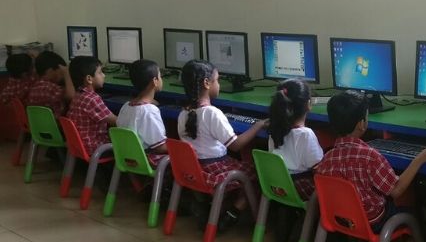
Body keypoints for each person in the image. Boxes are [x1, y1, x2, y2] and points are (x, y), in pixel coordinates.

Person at [315, 90, 426, 242]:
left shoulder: (328, 158)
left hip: (343, 218)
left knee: (365, 199)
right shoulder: (370, 157)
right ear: (362, 124)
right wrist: (419, 160)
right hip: (373, 220)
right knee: (418, 221)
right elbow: (396, 190)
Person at [177, 59, 267, 230]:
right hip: (217, 169)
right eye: (217, 80)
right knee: (260, 174)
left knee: (243, 167)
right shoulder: (213, 114)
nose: (219, 85)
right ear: (206, 83)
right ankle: (234, 212)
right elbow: (236, 145)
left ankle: (212, 207)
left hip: (196, 170)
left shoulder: (184, 113)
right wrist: (257, 126)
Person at [267, 78, 323, 200]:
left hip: (277, 185)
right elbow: (317, 166)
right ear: (308, 104)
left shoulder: (274, 129)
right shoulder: (306, 134)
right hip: (297, 188)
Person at [117, 59, 167, 165]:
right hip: (146, 160)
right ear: (155, 81)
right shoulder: (149, 111)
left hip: (129, 159)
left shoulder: (125, 106)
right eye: (160, 76)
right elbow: (159, 147)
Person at [66, 56, 115, 157]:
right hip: (95, 148)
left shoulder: (78, 95)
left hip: (78, 145)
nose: (104, 75)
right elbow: (117, 121)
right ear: (89, 79)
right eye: (100, 72)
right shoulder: (92, 99)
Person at [28, 51, 74, 117]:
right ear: (50, 71)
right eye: (61, 72)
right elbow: (71, 96)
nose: (62, 76)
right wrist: (66, 72)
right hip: (56, 122)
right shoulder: (51, 89)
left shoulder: (35, 85)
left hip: (38, 122)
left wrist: (38, 58)